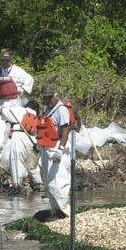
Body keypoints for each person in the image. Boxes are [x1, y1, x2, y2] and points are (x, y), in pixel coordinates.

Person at [36, 89, 75, 219]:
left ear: (55, 96)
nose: (46, 101)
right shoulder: (48, 110)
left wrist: (60, 149)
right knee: (48, 181)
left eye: (48, 98)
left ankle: (65, 211)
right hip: (47, 147)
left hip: (58, 145)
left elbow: (65, 130)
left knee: (58, 180)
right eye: (44, 98)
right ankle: (56, 210)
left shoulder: (61, 109)